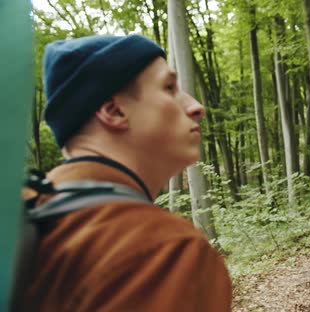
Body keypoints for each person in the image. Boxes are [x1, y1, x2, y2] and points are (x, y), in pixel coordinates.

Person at [21, 34, 232, 311]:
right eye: (169, 87)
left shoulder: (30, 210)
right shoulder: (163, 251)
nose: (196, 107)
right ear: (114, 111)